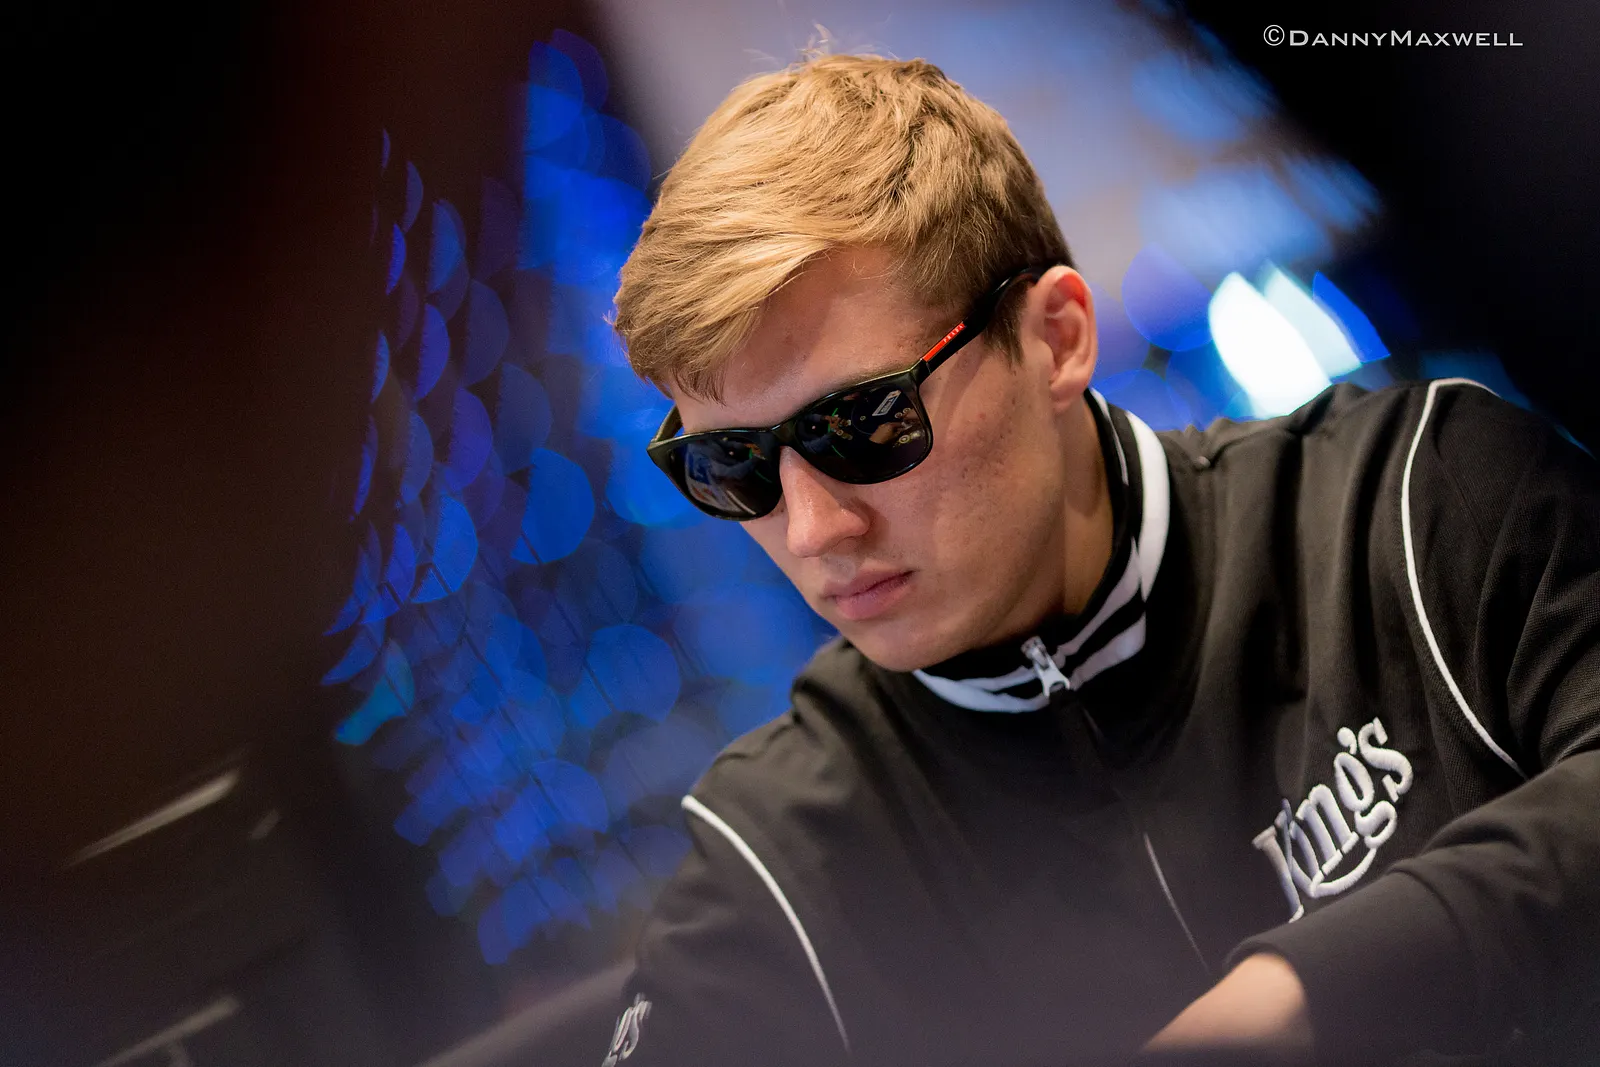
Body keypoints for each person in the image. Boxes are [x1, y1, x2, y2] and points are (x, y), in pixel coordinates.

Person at [602, 54, 1600, 1067]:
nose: (813, 529)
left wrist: (1300, 994)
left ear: (1057, 338)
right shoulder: (779, 857)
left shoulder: (1415, 499)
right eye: (732, 464)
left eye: (866, 422)